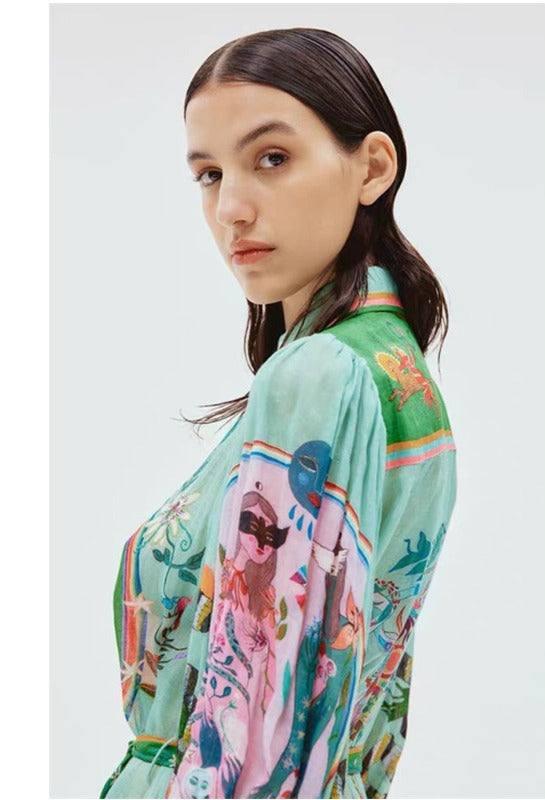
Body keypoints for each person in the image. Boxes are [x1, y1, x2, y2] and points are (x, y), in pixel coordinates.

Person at [100, 27, 457, 800]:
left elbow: (253, 736)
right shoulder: (394, 368)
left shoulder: (317, 377)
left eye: (271, 158)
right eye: (208, 174)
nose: (231, 208)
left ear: (373, 167)